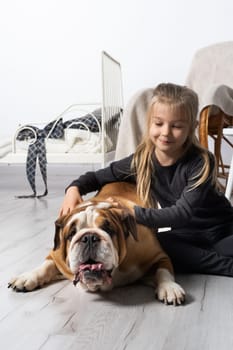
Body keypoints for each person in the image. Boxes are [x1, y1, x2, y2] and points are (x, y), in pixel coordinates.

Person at [59, 82, 233, 276]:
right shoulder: (141, 160)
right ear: (149, 123)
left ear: (192, 127)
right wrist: (73, 188)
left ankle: (214, 260)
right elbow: (96, 177)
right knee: (160, 245)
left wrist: (132, 212)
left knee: (217, 248)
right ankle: (220, 263)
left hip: (222, 229)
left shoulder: (201, 161)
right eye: (159, 124)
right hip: (186, 235)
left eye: (176, 126)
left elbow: (181, 214)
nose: (165, 132)